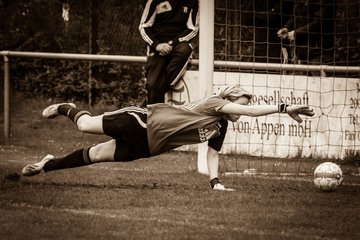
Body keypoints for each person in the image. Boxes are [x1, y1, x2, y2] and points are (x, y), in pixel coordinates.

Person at [21, 85, 314, 191]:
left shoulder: (221, 126)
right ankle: (65, 107)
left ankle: (47, 165)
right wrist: (283, 108)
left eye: (245, 102)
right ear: (231, 99)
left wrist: (215, 184)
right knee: (84, 126)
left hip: (149, 147)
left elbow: (212, 155)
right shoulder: (215, 103)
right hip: (140, 121)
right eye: (242, 101)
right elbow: (248, 112)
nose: (243, 107)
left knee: (94, 156)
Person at [139, 0, 199, 104]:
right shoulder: (154, 1)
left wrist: (172, 43)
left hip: (179, 43)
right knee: (152, 84)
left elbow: (192, 29)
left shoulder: (192, 2)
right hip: (158, 45)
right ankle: (152, 110)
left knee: (184, 50)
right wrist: (157, 45)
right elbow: (143, 27)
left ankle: (157, 94)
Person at [277, 0, 335, 75]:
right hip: (302, 53)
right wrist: (287, 28)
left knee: (319, 84)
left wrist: (295, 34)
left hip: (319, 53)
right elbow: (295, 16)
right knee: (303, 84)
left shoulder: (324, 2)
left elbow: (319, 23)